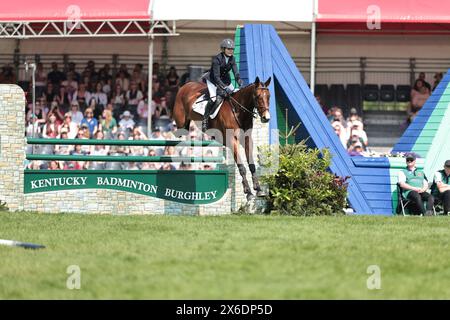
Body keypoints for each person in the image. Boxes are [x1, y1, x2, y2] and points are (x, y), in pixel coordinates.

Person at [202, 38, 243, 132]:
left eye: (232, 49)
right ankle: (205, 120)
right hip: (213, 80)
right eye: (228, 49)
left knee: (234, 96)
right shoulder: (217, 59)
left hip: (226, 80)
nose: (230, 51)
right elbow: (216, 77)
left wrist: (239, 80)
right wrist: (224, 88)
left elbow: (235, 72)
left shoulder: (232, 58)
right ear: (223, 49)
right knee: (214, 99)